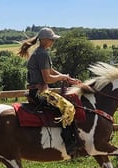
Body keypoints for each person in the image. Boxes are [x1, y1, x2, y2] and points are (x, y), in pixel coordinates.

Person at [18, 27, 83, 157]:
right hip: (40, 93)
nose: (53, 42)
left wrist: (67, 78)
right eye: (52, 39)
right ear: (45, 40)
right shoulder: (42, 54)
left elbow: (51, 71)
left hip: (36, 91)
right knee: (69, 107)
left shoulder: (39, 52)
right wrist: (62, 77)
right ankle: (69, 143)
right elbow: (48, 78)